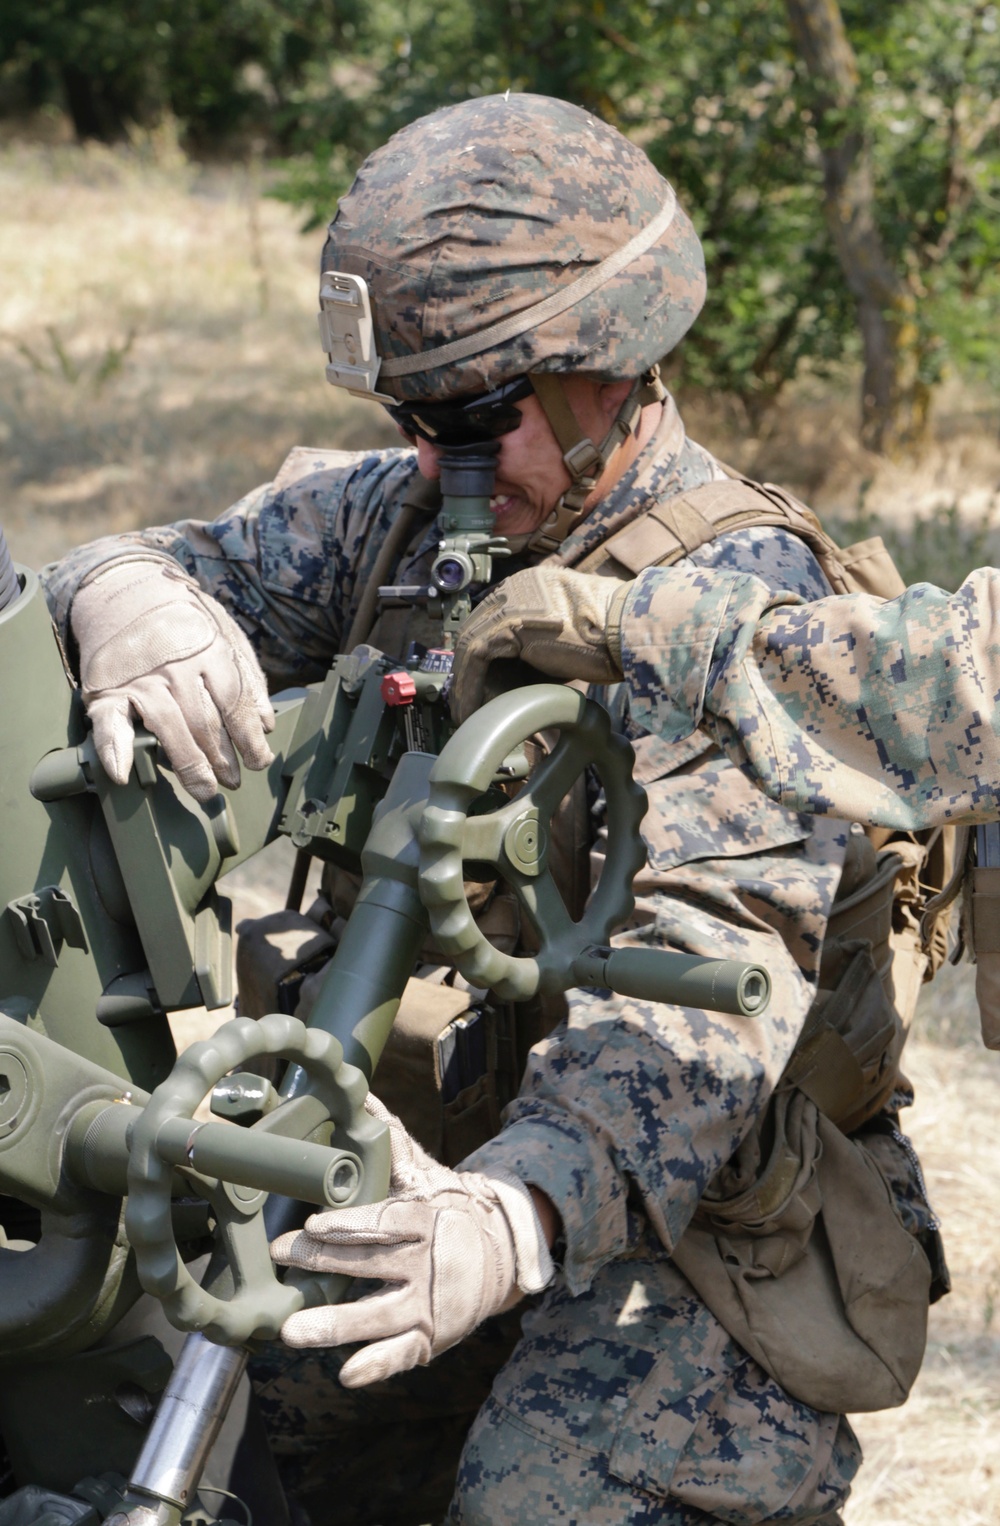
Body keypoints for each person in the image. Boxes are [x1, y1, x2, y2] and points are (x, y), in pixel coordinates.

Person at [44, 93, 954, 1526]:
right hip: (413, 1161)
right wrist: (124, 593)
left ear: (612, 367)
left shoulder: (747, 600)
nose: (431, 462)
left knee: (544, 1499)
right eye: (411, 420)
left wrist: (512, 1215)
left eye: (472, 419)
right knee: (233, 1431)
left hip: (699, 1224)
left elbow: (708, 982)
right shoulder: (409, 520)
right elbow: (170, 560)